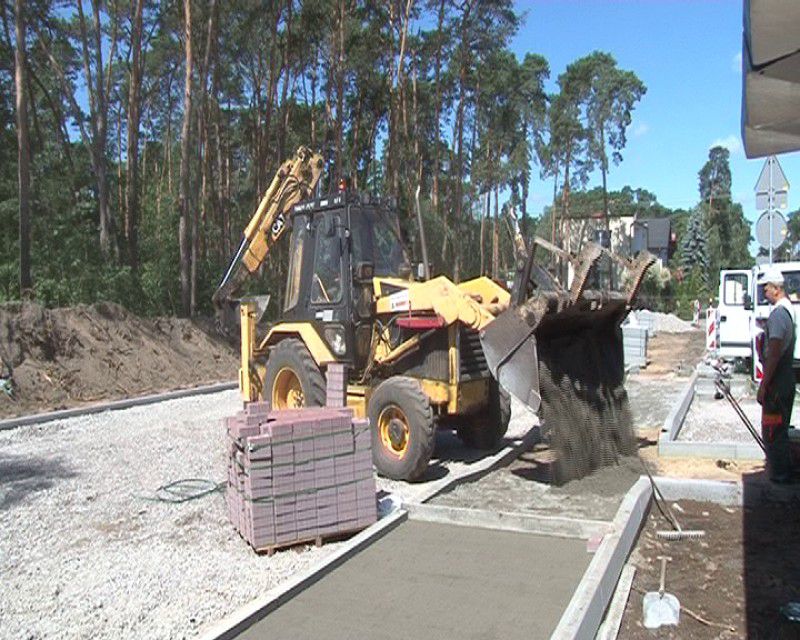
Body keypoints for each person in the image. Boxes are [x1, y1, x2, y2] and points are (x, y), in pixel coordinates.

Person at [756, 268, 797, 483]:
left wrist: (764, 384)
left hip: (777, 387)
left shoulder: (779, 315)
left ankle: (780, 477)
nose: (764, 293)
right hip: (782, 383)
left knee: (773, 430)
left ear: (776, 288)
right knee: (778, 428)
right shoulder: (786, 312)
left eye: (766, 289)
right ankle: (781, 471)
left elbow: (773, 354)